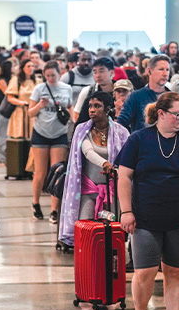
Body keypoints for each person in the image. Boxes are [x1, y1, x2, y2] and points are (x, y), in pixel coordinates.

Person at [116, 92, 179, 310]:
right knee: (144, 272)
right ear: (161, 114)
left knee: (174, 273)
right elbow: (124, 177)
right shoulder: (139, 139)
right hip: (144, 218)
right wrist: (126, 211)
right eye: (177, 114)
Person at [59, 92, 129, 246]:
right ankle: (88, 266)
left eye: (97, 106)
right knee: (86, 230)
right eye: (90, 106)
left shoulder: (121, 132)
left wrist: (116, 170)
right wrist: (106, 164)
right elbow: (87, 151)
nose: (91, 109)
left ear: (107, 109)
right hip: (89, 189)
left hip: (113, 191)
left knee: (113, 233)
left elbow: (128, 158)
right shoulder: (81, 130)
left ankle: (112, 264)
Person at [28, 60, 73, 223]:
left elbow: (70, 108)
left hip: (59, 133)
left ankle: (54, 210)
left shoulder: (66, 88)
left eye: (53, 75)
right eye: (47, 76)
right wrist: (40, 105)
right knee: (40, 172)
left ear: (59, 73)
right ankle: (36, 203)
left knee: (57, 172)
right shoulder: (39, 89)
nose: (50, 78)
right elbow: (30, 113)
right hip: (41, 133)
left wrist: (74, 124)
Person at [117, 55, 171, 132]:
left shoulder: (173, 97)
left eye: (167, 70)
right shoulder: (136, 97)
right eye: (161, 69)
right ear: (149, 71)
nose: (165, 74)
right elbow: (120, 124)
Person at [74, 56, 116, 125]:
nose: (98, 75)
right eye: (95, 72)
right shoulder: (88, 91)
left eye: (101, 71)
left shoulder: (122, 92)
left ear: (111, 73)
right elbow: (77, 115)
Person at [0, 59, 13, 165]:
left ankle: (6, 156)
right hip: (2, 110)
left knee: (6, 133)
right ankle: (1, 157)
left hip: (8, 110)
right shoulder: (2, 80)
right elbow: (9, 93)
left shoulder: (10, 79)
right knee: (2, 133)